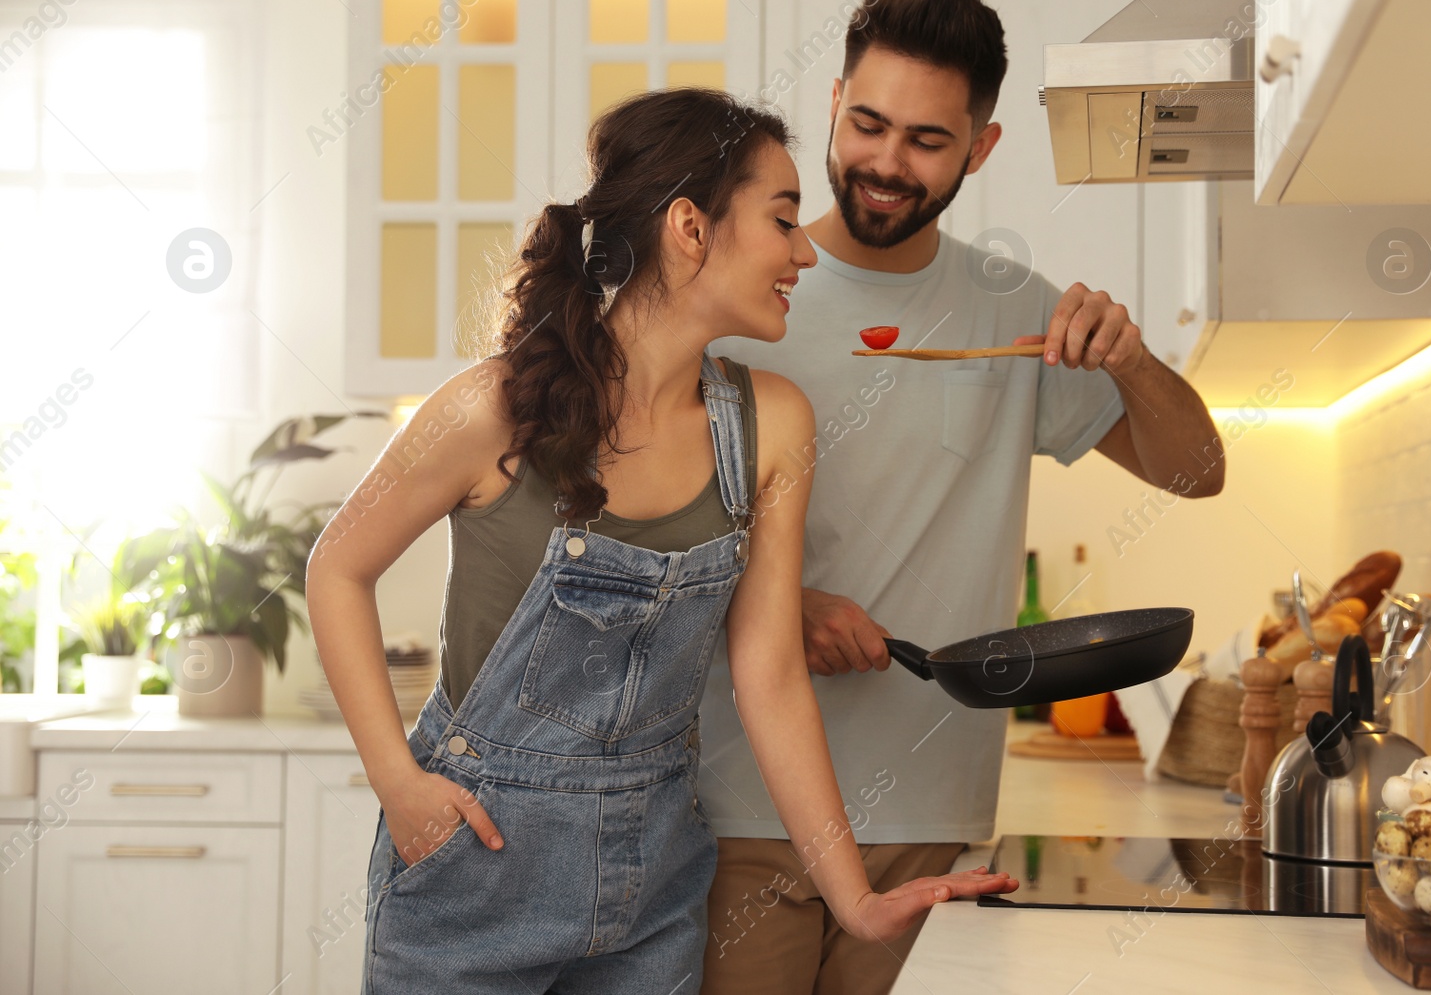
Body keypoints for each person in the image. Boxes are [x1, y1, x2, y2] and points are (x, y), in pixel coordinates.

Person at [305, 87, 1017, 995]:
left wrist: (856, 901)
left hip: (653, 891)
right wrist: (398, 783)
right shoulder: (492, 409)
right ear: (691, 226)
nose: (804, 251)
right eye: (784, 219)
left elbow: (769, 676)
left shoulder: (771, 427)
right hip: (473, 874)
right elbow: (337, 567)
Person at [699, 0, 1225, 995]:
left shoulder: (1014, 311)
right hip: (737, 804)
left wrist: (1131, 359)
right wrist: (776, 605)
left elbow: (1196, 472)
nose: (887, 162)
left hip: (933, 816)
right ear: (835, 102)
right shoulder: (743, 296)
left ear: (979, 149)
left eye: (927, 140)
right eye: (868, 123)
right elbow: (636, 530)